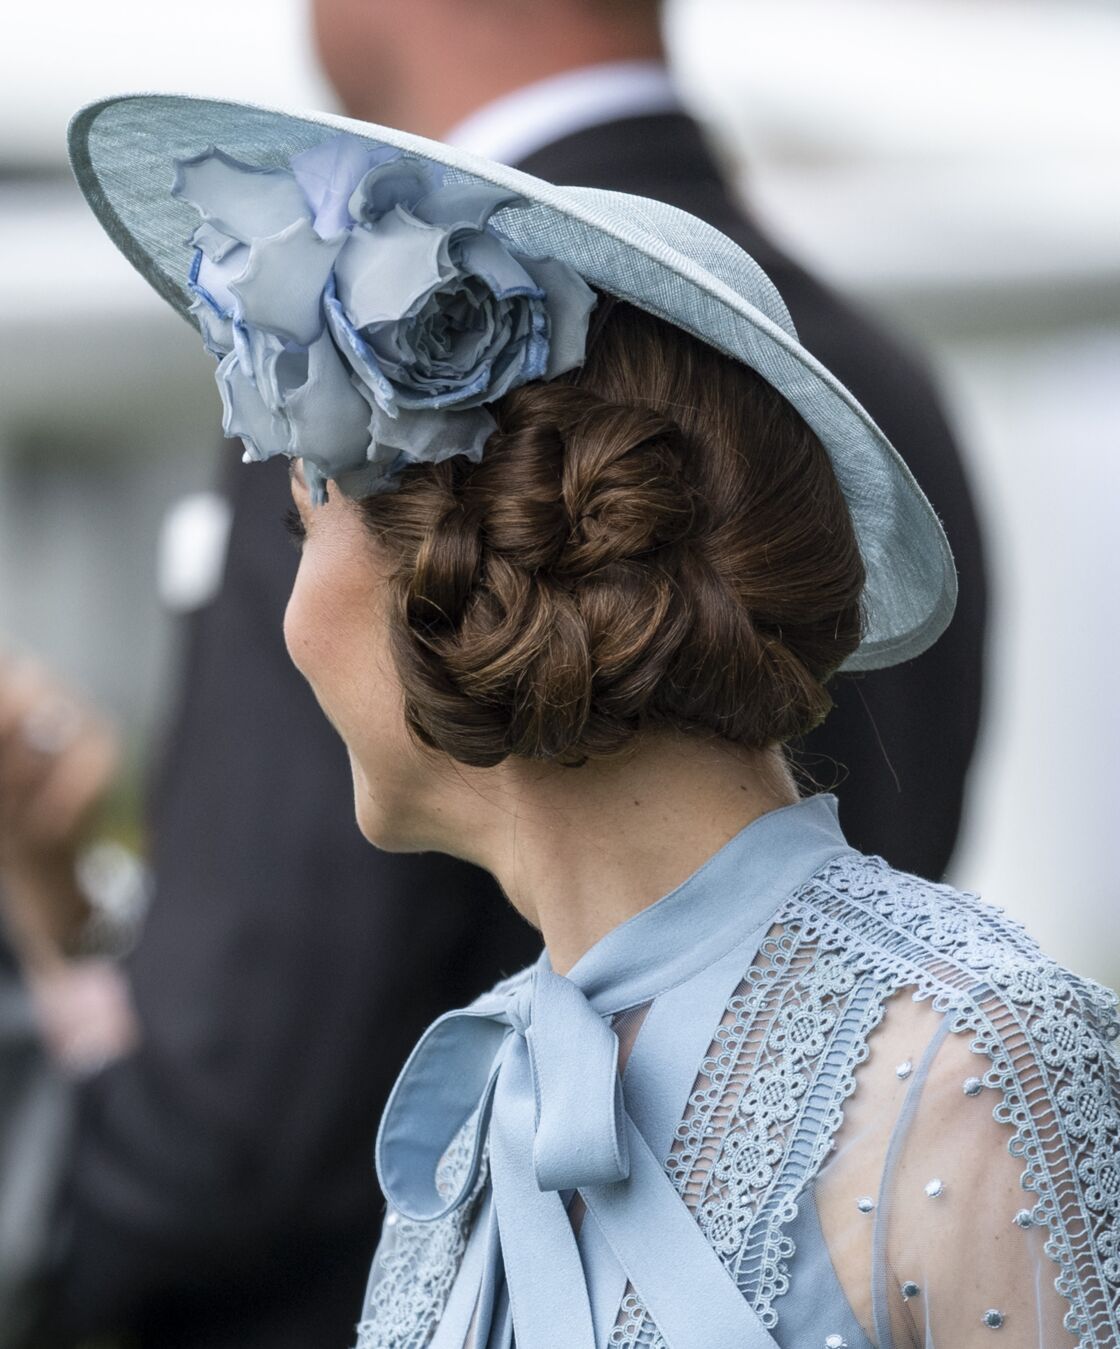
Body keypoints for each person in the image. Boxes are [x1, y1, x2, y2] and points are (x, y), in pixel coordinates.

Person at [65, 92, 1117, 1348]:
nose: (289, 620)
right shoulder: (472, 1113)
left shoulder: (973, 1070)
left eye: (304, 520)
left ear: (454, 556)